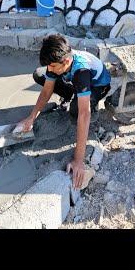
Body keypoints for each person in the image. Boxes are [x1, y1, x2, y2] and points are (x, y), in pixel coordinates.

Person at [17, 34, 111, 188]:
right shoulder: (58, 62)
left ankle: (87, 102)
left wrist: (78, 160)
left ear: (66, 61)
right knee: (40, 74)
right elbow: (47, 91)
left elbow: (84, 114)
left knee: (76, 111)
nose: (50, 69)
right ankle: (73, 95)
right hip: (74, 81)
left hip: (97, 85)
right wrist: (31, 117)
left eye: (53, 66)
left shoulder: (81, 71)